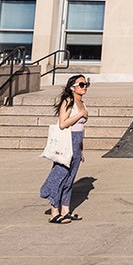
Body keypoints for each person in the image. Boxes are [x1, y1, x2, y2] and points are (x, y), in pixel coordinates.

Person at [39, 74, 90, 224]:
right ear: (72, 87)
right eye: (81, 84)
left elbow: (79, 127)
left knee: (70, 178)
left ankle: (65, 210)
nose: (84, 86)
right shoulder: (69, 101)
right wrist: (80, 114)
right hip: (67, 140)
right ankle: (54, 212)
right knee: (60, 175)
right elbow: (63, 123)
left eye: (86, 84)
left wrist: (80, 147)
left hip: (77, 141)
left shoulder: (82, 102)